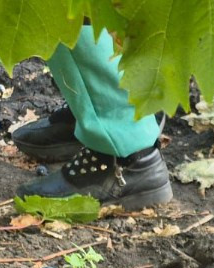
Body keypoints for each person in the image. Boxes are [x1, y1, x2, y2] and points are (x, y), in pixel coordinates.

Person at [11, 25, 172, 210]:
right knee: (90, 12)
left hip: (124, 159)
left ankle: (126, 146)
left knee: (70, 12)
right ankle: (95, 109)